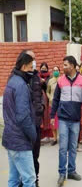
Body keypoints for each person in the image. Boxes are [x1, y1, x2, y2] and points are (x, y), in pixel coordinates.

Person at [50, 56, 82, 187]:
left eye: (65, 65)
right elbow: (55, 99)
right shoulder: (60, 81)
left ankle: (71, 171)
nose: (63, 67)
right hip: (63, 119)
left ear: (72, 66)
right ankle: (62, 173)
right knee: (62, 147)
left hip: (76, 120)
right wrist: (51, 116)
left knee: (73, 147)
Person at [2, 51, 37, 187]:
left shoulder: (11, 81)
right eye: (30, 68)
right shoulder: (21, 85)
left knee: (14, 179)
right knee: (29, 180)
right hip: (20, 141)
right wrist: (33, 135)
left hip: (10, 138)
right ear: (23, 67)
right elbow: (23, 117)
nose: (32, 71)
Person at [24, 51, 45, 187]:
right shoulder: (20, 78)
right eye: (31, 59)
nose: (34, 61)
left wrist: (42, 107)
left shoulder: (37, 77)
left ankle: (34, 179)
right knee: (25, 155)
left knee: (35, 154)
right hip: (25, 123)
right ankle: (25, 180)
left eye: (35, 59)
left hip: (36, 122)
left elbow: (40, 95)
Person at [47, 66, 60, 146]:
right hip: (52, 105)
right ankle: (55, 138)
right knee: (53, 122)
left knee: (61, 122)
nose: (55, 71)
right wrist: (50, 97)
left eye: (57, 70)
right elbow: (47, 91)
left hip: (60, 105)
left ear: (59, 71)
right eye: (54, 70)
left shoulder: (62, 80)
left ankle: (62, 138)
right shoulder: (50, 81)